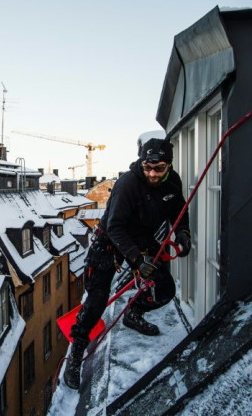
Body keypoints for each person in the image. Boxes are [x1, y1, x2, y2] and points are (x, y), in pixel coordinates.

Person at [63, 138, 192, 390]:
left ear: (169, 166)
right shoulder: (128, 185)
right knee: (97, 298)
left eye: (160, 168)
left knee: (165, 290)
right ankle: (76, 353)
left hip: (143, 238)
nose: (153, 174)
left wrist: (184, 232)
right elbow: (115, 226)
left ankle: (134, 313)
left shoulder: (173, 182)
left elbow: (179, 210)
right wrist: (135, 258)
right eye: (148, 168)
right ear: (141, 163)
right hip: (111, 240)